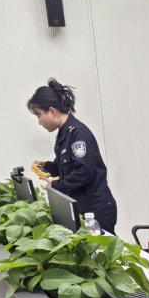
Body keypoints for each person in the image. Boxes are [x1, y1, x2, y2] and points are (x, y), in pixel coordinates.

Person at [27, 78, 117, 233]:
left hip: (96, 211)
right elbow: (65, 167)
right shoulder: (64, 133)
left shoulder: (78, 134)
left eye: (39, 115)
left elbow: (83, 172)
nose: (39, 122)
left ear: (52, 111)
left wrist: (55, 185)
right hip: (84, 209)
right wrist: (46, 166)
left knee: (102, 249)